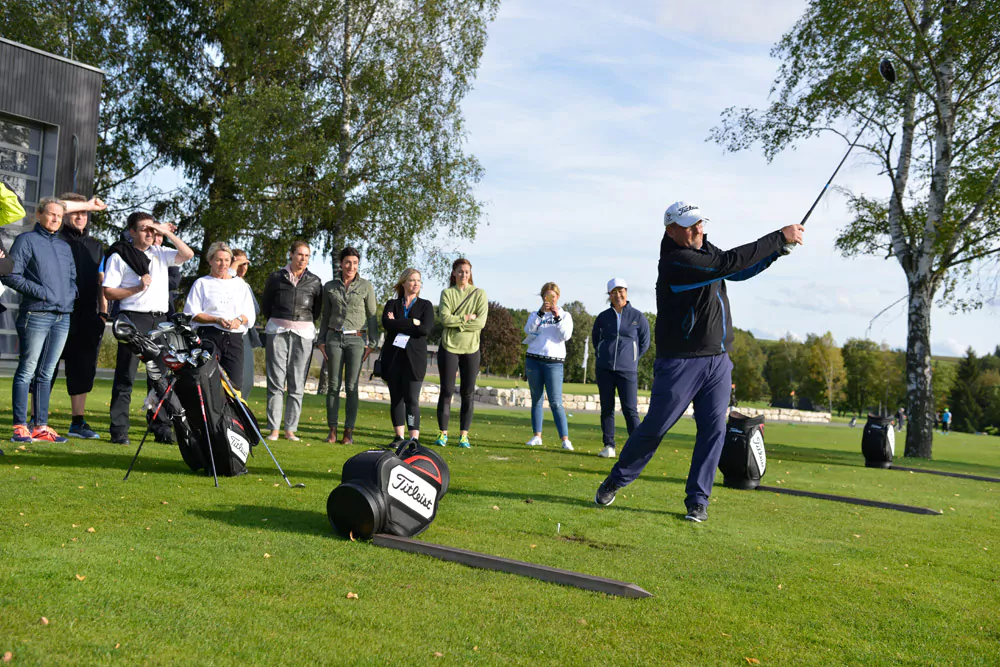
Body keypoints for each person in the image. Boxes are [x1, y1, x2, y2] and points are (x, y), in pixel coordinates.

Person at [595, 201, 804, 522]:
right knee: (654, 429)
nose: (697, 230)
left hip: (718, 360)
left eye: (700, 224)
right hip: (680, 362)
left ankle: (697, 501)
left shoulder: (704, 248)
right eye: (690, 226)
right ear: (671, 231)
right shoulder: (676, 262)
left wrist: (775, 253)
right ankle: (616, 479)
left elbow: (736, 271)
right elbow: (728, 263)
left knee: (713, 430)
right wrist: (778, 237)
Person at [103, 212, 195, 444]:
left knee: (160, 378)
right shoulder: (120, 256)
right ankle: (119, 429)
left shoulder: (161, 253)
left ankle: (161, 427)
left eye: (151, 229)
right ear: (132, 232)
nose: (149, 233)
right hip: (133, 318)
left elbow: (188, 254)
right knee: (126, 377)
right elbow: (109, 292)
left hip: (160, 320)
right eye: (144, 229)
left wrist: (165, 233)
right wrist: (136, 288)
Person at [3, 198, 78, 443]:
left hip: (62, 316)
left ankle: (41, 427)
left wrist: (70, 295)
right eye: (51, 214)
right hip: (36, 313)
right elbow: (10, 275)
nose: (56, 219)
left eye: (60, 216)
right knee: (27, 370)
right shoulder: (26, 241)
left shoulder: (65, 247)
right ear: (39, 215)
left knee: (46, 374)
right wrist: (43, 293)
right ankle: (19, 426)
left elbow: (72, 279)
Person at [56, 192, 109, 439]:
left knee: (83, 370)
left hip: (88, 316)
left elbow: (102, 283)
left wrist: (103, 314)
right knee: (46, 368)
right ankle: (36, 421)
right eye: (76, 211)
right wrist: (88, 203)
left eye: (85, 213)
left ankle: (77, 423)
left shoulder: (95, 246)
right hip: (57, 312)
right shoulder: (54, 238)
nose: (81, 216)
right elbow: (57, 205)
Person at [261, 240, 322, 442]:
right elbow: (266, 305)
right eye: (299, 254)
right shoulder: (276, 277)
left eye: (306, 255)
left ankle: (290, 430)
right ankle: (274, 430)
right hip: (277, 331)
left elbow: (317, 310)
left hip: (303, 334)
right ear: (291, 255)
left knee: (297, 384)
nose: (303, 258)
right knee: (276, 382)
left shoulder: (314, 281)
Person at [317, 246, 378, 445]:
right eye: (347, 262)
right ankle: (332, 430)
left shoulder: (366, 286)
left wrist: (372, 344)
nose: (351, 266)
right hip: (334, 338)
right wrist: (321, 341)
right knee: (333, 386)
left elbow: (371, 316)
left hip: (356, 340)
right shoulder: (330, 286)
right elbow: (326, 316)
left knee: (352, 386)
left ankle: (348, 432)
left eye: (355, 263)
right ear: (341, 264)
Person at [183, 242, 256, 391]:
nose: (223, 264)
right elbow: (192, 313)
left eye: (226, 260)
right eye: (218, 260)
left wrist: (238, 320)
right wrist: (216, 319)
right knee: (207, 383)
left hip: (233, 339)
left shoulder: (240, 284)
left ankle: (231, 414)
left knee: (234, 385)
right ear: (210, 261)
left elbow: (249, 313)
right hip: (209, 336)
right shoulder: (201, 283)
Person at [591, 278, 650, 459]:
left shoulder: (638, 317)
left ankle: (637, 448)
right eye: (614, 292)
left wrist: (632, 359)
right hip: (605, 369)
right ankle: (609, 445)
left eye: (621, 290)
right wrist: (603, 355)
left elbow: (644, 342)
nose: (618, 295)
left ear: (626, 292)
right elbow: (596, 340)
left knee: (630, 409)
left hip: (628, 371)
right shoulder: (602, 317)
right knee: (607, 408)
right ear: (609, 295)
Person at [434, 258, 488, 448]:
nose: (464, 275)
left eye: (466, 271)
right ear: (454, 273)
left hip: (471, 348)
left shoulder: (480, 294)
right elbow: (445, 320)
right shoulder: (447, 293)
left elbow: (480, 323)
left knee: (468, 393)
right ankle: (443, 433)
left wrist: (459, 322)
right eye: (460, 271)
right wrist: (466, 318)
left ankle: (464, 435)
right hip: (449, 347)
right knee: (447, 391)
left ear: (470, 273)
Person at [381, 268, 434, 443]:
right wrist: (412, 322)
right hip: (394, 357)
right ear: (403, 282)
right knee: (396, 398)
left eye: (418, 280)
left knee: (412, 399)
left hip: (415, 359)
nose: (416, 284)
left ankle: (413, 438)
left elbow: (425, 329)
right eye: (412, 280)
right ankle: (399, 436)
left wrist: (397, 322)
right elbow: (387, 324)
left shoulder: (425, 305)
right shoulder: (392, 304)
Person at [523, 282, 574, 451]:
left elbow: (565, 335)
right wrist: (541, 313)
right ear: (542, 297)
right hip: (534, 359)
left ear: (557, 297)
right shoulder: (535, 314)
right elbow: (528, 330)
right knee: (536, 399)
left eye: (553, 296)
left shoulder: (565, 315)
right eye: (546, 296)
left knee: (556, 402)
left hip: (554, 362)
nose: (549, 299)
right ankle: (537, 436)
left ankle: (565, 439)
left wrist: (557, 316)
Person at [231, 249, 262, 397]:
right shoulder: (226, 284)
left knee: (247, 381)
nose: (243, 268)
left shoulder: (245, 285)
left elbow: (255, 310)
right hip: (231, 334)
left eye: (246, 264)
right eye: (239, 263)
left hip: (246, 335)